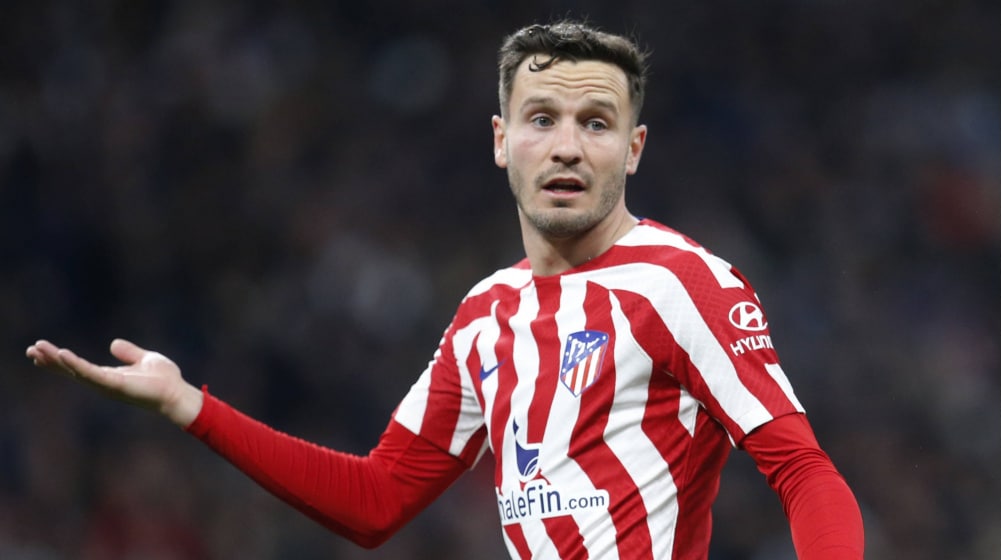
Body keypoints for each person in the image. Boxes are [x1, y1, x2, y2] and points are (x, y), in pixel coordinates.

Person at [26, 20, 865, 560]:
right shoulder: (484, 317)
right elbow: (376, 500)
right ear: (501, 140)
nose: (567, 147)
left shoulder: (683, 284)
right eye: (542, 119)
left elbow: (804, 472)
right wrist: (188, 405)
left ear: (634, 149)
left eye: (596, 123)